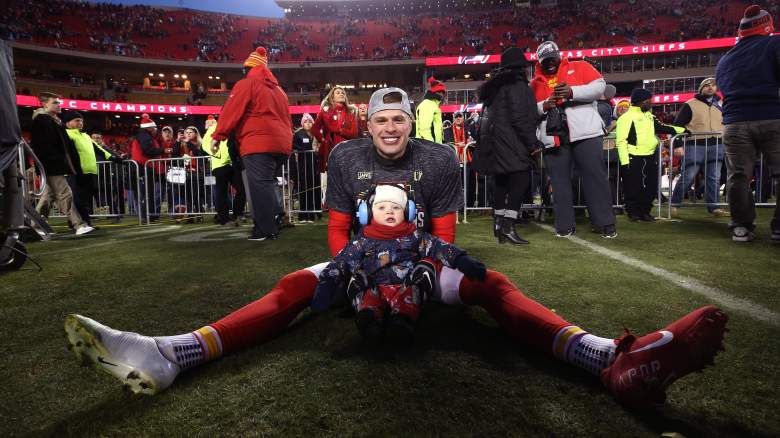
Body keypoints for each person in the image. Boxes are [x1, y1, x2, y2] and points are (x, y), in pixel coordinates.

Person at [65, 87, 728, 410]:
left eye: (397, 119)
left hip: (420, 256)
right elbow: (333, 231)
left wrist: (417, 275)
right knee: (296, 287)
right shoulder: (345, 155)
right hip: (362, 254)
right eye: (379, 119)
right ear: (368, 124)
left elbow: (443, 236)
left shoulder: (439, 160)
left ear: (411, 124)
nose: (387, 128)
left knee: (491, 287)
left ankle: (608, 360)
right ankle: (173, 352)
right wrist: (354, 278)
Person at [311, 183, 486, 343]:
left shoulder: (415, 236)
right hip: (373, 287)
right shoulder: (362, 241)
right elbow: (341, 261)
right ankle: (369, 316)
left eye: (396, 207)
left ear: (408, 212)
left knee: (424, 269)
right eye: (381, 207)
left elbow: (438, 247)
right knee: (357, 277)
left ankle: (402, 320)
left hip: (406, 287)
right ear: (368, 213)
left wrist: (460, 259)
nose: (389, 211)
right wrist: (326, 284)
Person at [530, 41, 617, 239]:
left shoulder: (580, 66)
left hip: (585, 132)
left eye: (552, 59)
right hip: (553, 137)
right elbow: (528, 111)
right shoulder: (534, 83)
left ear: (559, 56)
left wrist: (572, 92)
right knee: (559, 182)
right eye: (545, 61)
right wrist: (545, 104)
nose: (550, 64)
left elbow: (599, 87)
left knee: (595, 178)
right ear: (539, 62)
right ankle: (564, 225)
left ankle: (605, 223)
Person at [211, 47, 292, 241]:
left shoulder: (247, 84)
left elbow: (232, 110)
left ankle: (265, 229)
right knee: (268, 183)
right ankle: (276, 219)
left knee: (260, 186)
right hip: (281, 144)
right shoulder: (280, 91)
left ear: (248, 68)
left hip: (258, 142)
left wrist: (218, 134)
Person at [714, 4, 780, 242]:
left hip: (735, 122)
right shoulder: (774, 44)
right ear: (767, 26)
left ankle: (740, 225)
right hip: (773, 116)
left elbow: (722, 88)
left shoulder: (725, 59)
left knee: (739, 176)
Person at [472, 47, 537, 245]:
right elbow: (520, 118)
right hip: (511, 142)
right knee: (520, 179)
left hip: (496, 145)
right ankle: (508, 226)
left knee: (500, 182)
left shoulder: (495, 88)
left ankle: (498, 224)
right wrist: (532, 143)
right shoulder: (517, 86)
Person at [616, 89, 686, 222]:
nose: (651, 103)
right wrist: (625, 162)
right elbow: (621, 141)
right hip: (632, 157)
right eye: (649, 101)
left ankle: (645, 211)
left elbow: (664, 127)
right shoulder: (626, 118)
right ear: (643, 102)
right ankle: (633, 212)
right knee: (632, 186)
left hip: (649, 156)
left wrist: (684, 130)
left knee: (650, 186)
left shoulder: (650, 117)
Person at [30, 92, 94, 235]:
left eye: (59, 102)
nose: (59, 105)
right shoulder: (42, 120)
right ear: (45, 104)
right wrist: (56, 160)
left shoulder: (53, 120)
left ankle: (35, 225)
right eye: (55, 102)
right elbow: (41, 146)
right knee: (65, 193)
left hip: (54, 164)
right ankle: (79, 225)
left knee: (48, 196)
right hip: (51, 164)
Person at [670, 78, 730, 217]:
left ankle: (714, 207)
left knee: (714, 177)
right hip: (694, 144)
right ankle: (674, 204)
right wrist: (678, 144)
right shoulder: (689, 104)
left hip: (717, 144)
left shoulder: (720, 104)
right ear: (701, 88)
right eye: (707, 85)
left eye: (713, 85)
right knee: (688, 176)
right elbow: (677, 125)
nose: (710, 87)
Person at [63, 111, 122, 227]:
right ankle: (80, 223)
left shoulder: (85, 136)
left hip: (90, 172)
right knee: (78, 199)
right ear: (68, 123)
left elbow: (99, 149)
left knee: (85, 200)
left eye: (81, 121)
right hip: (76, 172)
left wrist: (113, 158)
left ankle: (83, 223)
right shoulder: (66, 135)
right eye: (77, 120)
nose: (80, 123)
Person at [203, 115, 245, 226]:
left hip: (234, 164)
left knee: (242, 189)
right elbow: (205, 144)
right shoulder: (213, 128)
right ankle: (224, 219)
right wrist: (216, 153)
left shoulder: (235, 128)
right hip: (220, 165)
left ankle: (237, 215)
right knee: (221, 193)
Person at [130, 114, 169, 222]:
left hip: (144, 167)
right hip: (144, 168)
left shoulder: (144, 135)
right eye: (155, 128)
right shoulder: (145, 135)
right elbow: (148, 150)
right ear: (150, 127)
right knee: (146, 194)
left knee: (146, 193)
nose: (156, 130)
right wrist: (163, 150)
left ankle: (148, 216)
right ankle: (146, 216)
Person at [311, 86, 358, 172]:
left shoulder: (351, 112)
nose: (341, 94)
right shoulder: (325, 112)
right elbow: (314, 129)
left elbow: (354, 133)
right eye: (338, 93)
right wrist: (322, 140)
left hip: (346, 152)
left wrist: (339, 130)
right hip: (330, 152)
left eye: (343, 93)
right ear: (332, 97)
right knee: (332, 181)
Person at [291, 113, 321, 223]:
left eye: (310, 122)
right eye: (306, 122)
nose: (308, 124)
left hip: (314, 166)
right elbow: (293, 145)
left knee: (312, 190)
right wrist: (304, 149)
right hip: (303, 166)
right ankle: (303, 215)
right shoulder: (299, 134)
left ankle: (312, 215)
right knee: (303, 190)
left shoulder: (315, 134)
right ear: (302, 123)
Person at [415, 76, 446, 143]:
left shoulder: (432, 105)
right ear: (436, 92)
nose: (442, 95)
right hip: (428, 147)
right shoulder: (428, 104)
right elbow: (424, 129)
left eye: (443, 93)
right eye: (441, 92)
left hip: (432, 146)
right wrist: (432, 147)